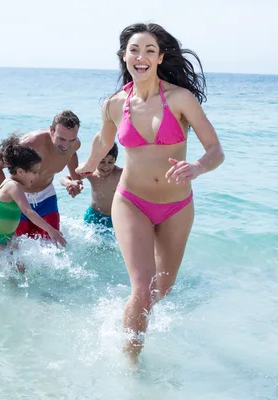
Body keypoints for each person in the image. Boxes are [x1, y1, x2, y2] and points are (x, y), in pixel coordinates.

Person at [76, 23, 225, 361]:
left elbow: (215, 149)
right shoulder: (115, 104)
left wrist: (198, 167)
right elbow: (103, 140)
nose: (141, 57)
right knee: (141, 288)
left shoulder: (180, 99)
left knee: (162, 289)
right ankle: (132, 369)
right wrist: (86, 167)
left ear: (160, 58)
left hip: (176, 207)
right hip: (131, 202)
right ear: (123, 56)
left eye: (149, 51)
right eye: (134, 50)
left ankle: (129, 319)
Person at [0, 111, 84, 240]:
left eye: (71, 140)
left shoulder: (74, 144)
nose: (66, 145)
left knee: (53, 247)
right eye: (61, 139)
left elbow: (71, 153)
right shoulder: (30, 143)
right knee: (20, 251)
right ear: (51, 130)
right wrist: (11, 197)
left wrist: (75, 180)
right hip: (21, 200)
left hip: (47, 197)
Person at [0, 134, 67, 258]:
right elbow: (28, 211)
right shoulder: (12, 186)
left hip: (7, 235)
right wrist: (50, 230)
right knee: (4, 272)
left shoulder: (17, 186)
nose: (36, 177)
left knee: (20, 269)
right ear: (20, 171)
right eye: (34, 172)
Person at [83, 142, 123, 230]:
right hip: (93, 215)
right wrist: (70, 183)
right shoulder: (90, 173)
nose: (106, 166)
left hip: (114, 218)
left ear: (115, 161)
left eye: (110, 162)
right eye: (102, 161)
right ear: (95, 160)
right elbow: (68, 178)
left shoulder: (119, 174)